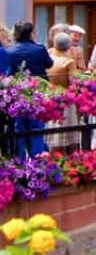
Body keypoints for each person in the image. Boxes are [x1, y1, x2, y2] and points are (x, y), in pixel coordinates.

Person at [8, 21, 53, 157]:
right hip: (38, 92)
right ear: (31, 34)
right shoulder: (39, 49)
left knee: (19, 128)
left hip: (18, 93)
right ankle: (37, 162)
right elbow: (49, 64)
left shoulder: (10, 51)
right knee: (36, 127)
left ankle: (20, 163)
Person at [46, 32, 78, 151]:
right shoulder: (69, 62)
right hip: (66, 99)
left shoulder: (48, 56)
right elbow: (74, 83)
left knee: (54, 135)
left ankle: (53, 164)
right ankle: (71, 164)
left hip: (50, 97)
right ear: (69, 46)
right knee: (69, 136)